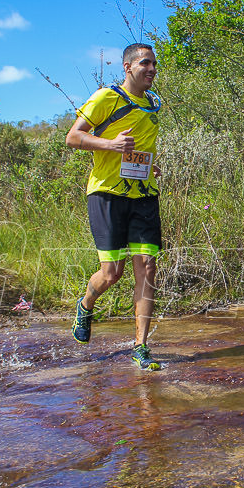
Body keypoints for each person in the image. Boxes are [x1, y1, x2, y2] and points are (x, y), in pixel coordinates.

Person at [65, 43, 163, 370]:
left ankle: (141, 346)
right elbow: (73, 137)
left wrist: (148, 165)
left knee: (147, 267)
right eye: (145, 64)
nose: (151, 69)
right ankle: (86, 303)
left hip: (144, 194)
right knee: (112, 273)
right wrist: (111, 144)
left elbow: (138, 150)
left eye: (154, 65)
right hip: (107, 194)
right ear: (127, 66)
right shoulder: (107, 98)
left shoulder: (152, 105)